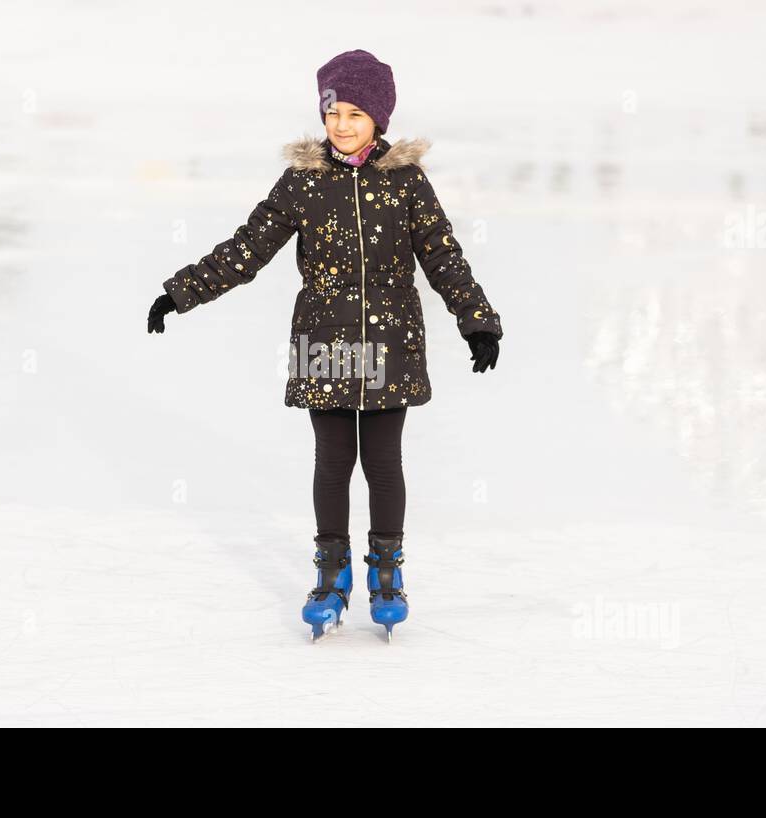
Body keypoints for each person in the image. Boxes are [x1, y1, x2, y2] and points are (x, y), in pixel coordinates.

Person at [146, 49, 504, 642]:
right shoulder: (303, 182)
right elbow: (248, 248)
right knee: (333, 461)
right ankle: (331, 574)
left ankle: (386, 574)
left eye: (356, 112)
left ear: (379, 119)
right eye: (333, 109)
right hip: (325, 338)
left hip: (390, 341)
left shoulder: (406, 182)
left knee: (383, 461)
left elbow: (444, 257)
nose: (341, 123)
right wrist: (179, 293)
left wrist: (478, 321)